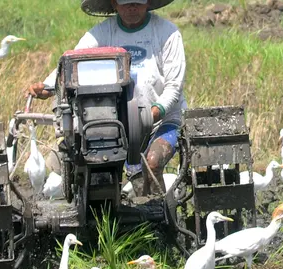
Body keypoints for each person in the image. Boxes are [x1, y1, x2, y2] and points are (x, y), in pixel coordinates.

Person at [27, 0, 187, 195]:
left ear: (147, 3)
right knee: (102, 167)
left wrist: (152, 114)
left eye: (137, 3)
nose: (132, 8)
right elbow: (72, 62)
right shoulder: (103, 33)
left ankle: (163, 218)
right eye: (126, 3)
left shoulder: (167, 33)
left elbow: (174, 86)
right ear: (114, 4)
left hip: (162, 120)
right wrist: (48, 86)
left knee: (152, 163)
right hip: (119, 123)